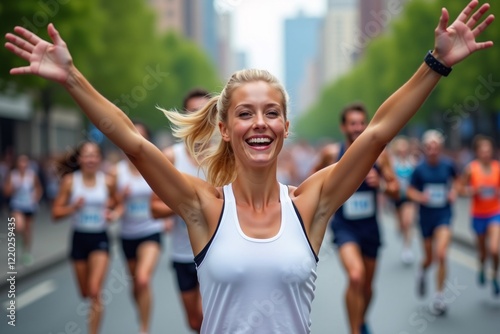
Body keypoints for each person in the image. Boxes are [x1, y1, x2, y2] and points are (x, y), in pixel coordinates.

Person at [4, 2, 494, 332]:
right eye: (244, 113)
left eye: (271, 112)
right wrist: (72, 79)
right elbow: (133, 143)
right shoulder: (203, 208)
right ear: (224, 128)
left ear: (285, 126)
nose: (259, 123)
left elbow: (377, 133)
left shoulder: (311, 202)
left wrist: (436, 64)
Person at [311, 103, 399, 334]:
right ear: (343, 127)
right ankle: (354, 330)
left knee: (368, 287)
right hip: (344, 226)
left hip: (370, 227)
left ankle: (360, 318)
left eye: (362, 123)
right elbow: (312, 182)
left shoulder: (380, 156)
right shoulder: (331, 153)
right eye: (353, 123)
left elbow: (396, 190)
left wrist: (380, 184)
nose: (358, 128)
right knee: (356, 275)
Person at [151, 89, 211, 333]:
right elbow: (154, 209)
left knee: (216, 320)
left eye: (203, 112)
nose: (198, 117)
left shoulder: (227, 157)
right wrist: (186, 206)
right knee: (195, 322)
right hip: (183, 254)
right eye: (192, 112)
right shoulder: (171, 157)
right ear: (184, 117)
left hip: (217, 251)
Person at [51, 141, 118, 334]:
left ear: (99, 159)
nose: (91, 159)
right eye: (87, 155)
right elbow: (55, 213)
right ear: (79, 159)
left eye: (94, 155)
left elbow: (116, 202)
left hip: (100, 238)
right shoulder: (71, 181)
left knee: (95, 291)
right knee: (85, 293)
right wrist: (73, 207)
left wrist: (111, 211)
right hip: (79, 238)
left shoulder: (107, 181)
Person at [110, 121, 165, 334]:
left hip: (151, 231)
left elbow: (165, 195)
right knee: (135, 285)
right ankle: (141, 314)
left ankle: (144, 328)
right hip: (127, 235)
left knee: (142, 279)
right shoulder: (117, 172)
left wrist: (167, 216)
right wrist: (118, 201)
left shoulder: (153, 166)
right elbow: (112, 203)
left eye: (139, 135)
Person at [406, 130, 460, 315]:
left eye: (435, 146)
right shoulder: (419, 169)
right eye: (429, 147)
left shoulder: (449, 165)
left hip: (444, 214)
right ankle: (422, 271)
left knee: (442, 254)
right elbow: (410, 191)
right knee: (429, 258)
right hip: (426, 217)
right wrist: (421, 196)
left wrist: (454, 191)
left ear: (441, 148)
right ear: (424, 148)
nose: (432, 150)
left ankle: (439, 297)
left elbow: (458, 182)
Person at [458, 134, 500, 296]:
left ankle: (494, 276)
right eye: (482, 150)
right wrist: (472, 190)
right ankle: (482, 267)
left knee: (495, 250)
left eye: (488, 150)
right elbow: (460, 189)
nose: (485, 153)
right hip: (478, 215)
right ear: (477, 152)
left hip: (495, 213)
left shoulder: (498, 168)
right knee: (483, 253)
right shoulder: (471, 169)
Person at [3, 154, 43, 265]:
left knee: (27, 230)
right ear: (17, 163)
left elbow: (38, 188)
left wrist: (37, 196)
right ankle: (19, 238)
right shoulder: (13, 175)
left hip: (29, 205)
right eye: (21, 162)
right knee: (18, 226)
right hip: (17, 205)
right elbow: (6, 191)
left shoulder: (31, 175)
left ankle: (26, 252)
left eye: (25, 162)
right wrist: (12, 188)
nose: (23, 165)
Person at [389, 136, 419, 265]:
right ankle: (400, 227)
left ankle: (407, 249)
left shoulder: (412, 162)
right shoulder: (392, 162)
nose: (402, 150)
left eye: (404, 147)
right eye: (399, 148)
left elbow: (418, 178)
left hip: (409, 197)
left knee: (408, 222)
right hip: (397, 197)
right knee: (401, 224)